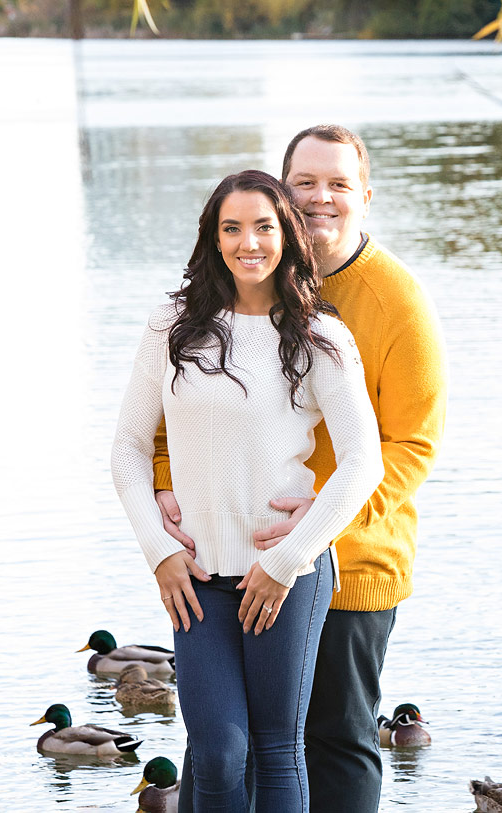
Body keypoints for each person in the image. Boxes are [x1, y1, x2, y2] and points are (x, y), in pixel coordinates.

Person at [153, 125, 447, 813]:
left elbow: (412, 446)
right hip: (228, 555)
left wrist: (313, 531)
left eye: (338, 184)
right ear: (281, 196)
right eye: (305, 183)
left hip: (351, 564)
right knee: (218, 745)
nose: (321, 199)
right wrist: (166, 482)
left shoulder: (396, 300)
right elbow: (180, 408)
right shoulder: (236, 292)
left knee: (333, 741)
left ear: (364, 196)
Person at [111, 169, 384, 813]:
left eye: (263, 226)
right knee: (216, 751)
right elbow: (126, 449)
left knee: (277, 745)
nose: (248, 242)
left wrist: (286, 562)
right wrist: (160, 550)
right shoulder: (171, 327)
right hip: (199, 577)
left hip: (287, 575)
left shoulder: (321, 337)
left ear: (287, 235)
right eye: (231, 228)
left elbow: (363, 463)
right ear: (213, 237)